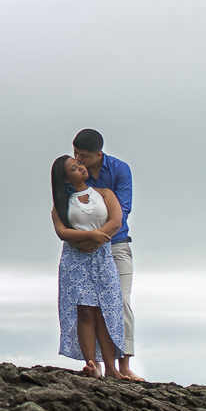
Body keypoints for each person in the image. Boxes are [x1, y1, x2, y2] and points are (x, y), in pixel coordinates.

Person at [72, 128, 143, 381]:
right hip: (85, 248)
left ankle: (124, 366)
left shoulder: (119, 169)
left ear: (98, 154)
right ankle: (97, 365)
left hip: (117, 244)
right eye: (75, 153)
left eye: (84, 156)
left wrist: (99, 236)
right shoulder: (73, 173)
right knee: (92, 307)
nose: (79, 160)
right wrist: (88, 239)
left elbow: (122, 210)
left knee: (120, 301)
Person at [50, 154, 126, 378]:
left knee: (106, 311)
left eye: (80, 164)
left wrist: (95, 239)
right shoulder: (61, 204)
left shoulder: (104, 194)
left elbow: (116, 221)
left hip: (102, 256)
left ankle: (112, 369)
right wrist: (90, 236)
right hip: (75, 260)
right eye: (74, 168)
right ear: (65, 179)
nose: (81, 168)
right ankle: (91, 365)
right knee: (84, 312)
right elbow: (62, 232)